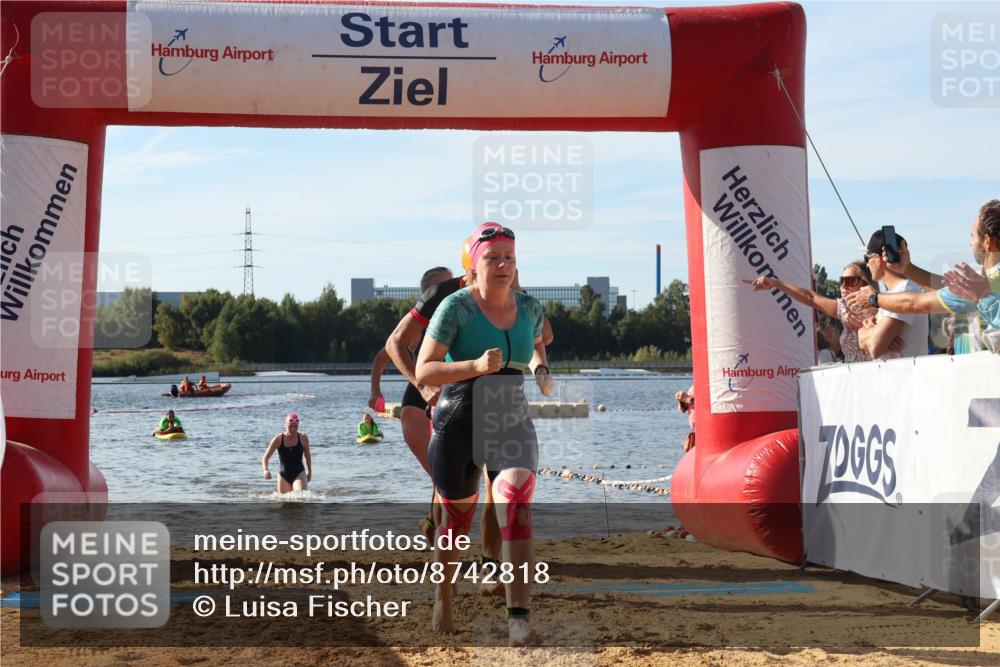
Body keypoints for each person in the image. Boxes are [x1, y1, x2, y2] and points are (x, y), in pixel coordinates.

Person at [416, 222, 554, 646]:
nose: (503, 265)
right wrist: (475, 366)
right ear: (473, 266)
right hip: (459, 418)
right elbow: (425, 370)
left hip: (510, 418)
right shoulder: (455, 307)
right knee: (455, 523)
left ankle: (518, 621)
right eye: (492, 258)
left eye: (509, 258)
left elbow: (537, 345)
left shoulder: (529, 307)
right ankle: (443, 595)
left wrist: (542, 371)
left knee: (516, 504)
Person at [845, 201, 1000, 354]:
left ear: (987, 242)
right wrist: (908, 269)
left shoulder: (979, 285)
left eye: (973, 237)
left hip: (976, 369)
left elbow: (913, 303)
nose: (971, 243)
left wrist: (874, 298)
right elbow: (946, 289)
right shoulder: (983, 283)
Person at [744, 260, 883, 362]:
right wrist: (776, 284)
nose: (843, 286)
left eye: (850, 281)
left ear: (866, 283)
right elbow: (811, 297)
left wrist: (777, 284)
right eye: (842, 281)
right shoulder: (845, 310)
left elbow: (811, 298)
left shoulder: (882, 310)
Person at [854, 229, 930, 359]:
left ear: (878, 260)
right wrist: (873, 332)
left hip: (904, 372)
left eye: (867, 258)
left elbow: (874, 348)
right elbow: (861, 340)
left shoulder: (904, 290)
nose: (866, 265)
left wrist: (870, 329)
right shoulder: (894, 293)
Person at [262, 413, 312, 493]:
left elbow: (307, 456)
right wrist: (265, 470)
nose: (293, 428)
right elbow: (265, 457)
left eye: (295, 426)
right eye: (290, 425)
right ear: (285, 425)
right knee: (284, 500)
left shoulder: (303, 438)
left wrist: (309, 472)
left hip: (299, 473)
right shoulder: (278, 439)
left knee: (301, 496)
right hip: (283, 475)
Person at [674, 385, 695, 452]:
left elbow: (704, 405)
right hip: (695, 427)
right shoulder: (693, 388)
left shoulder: (703, 387)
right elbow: (682, 410)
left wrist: (687, 399)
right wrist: (681, 400)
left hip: (702, 426)